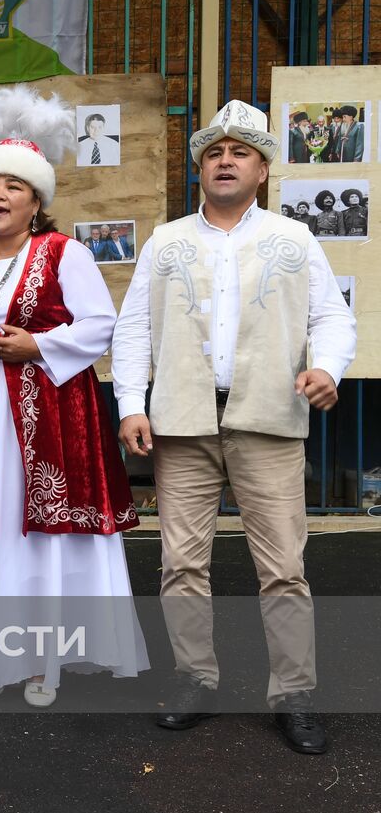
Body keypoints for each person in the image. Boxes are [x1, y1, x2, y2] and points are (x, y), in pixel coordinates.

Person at [113, 100, 356, 755]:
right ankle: (195, 680)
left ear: (263, 171)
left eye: (240, 152)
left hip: (269, 420)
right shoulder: (166, 241)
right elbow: (133, 327)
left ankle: (296, 692)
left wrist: (328, 367)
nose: (226, 160)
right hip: (184, 423)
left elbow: (332, 320)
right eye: (214, 151)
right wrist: (132, 403)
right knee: (181, 563)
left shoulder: (294, 239)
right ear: (199, 167)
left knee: (282, 567)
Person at [0, 85, 145, 708]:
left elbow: (100, 324)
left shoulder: (65, 252)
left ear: (36, 202)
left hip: (55, 413)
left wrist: (38, 346)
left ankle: (44, 662)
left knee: (48, 531)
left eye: (13, 186)